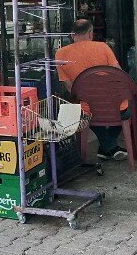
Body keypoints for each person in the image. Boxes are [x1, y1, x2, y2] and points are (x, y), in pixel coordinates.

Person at [55, 19, 128, 161]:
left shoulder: (60, 54)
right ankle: (110, 146)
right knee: (127, 107)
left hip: (85, 105)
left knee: (88, 114)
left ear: (72, 34)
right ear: (90, 33)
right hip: (113, 104)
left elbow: (69, 87)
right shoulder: (103, 47)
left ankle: (106, 147)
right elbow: (120, 75)